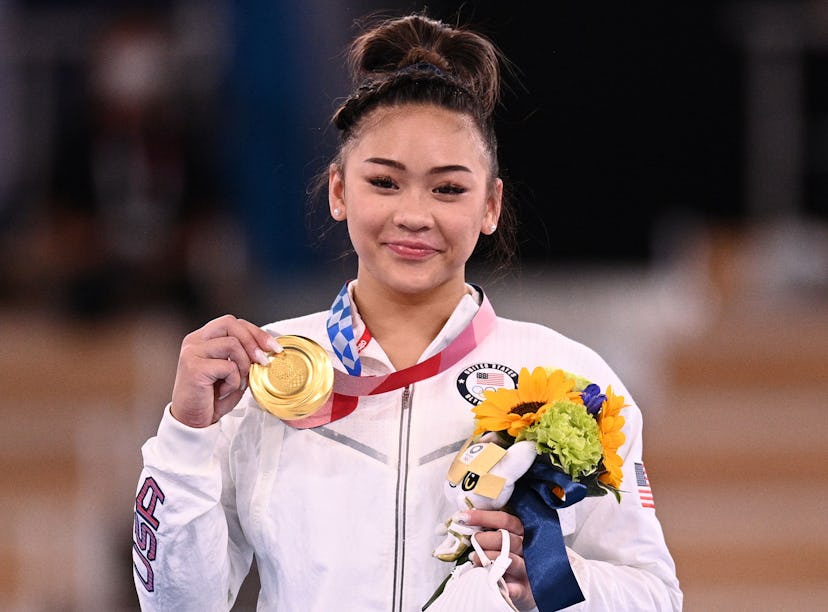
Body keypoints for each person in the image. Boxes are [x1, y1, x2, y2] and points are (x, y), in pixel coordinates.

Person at [132, 11, 682, 611]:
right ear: (340, 191)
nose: (415, 215)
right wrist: (186, 434)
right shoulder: (263, 372)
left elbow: (653, 596)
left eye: (448, 189)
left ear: (491, 205)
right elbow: (180, 604)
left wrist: (545, 579)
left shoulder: (571, 379)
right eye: (385, 183)